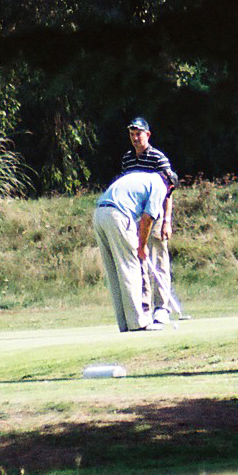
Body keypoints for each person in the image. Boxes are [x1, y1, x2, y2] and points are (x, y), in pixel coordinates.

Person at [120, 117, 183, 325]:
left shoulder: (158, 158)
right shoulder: (127, 159)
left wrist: (167, 220)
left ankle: (162, 307)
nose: (135, 138)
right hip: (136, 216)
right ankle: (145, 306)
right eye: (132, 134)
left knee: (158, 259)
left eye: (139, 134)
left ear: (148, 135)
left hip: (155, 214)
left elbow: (167, 192)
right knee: (139, 261)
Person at [91, 168, 170, 332]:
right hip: (117, 215)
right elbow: (147, 218)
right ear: (170, 186)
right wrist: (142, 246)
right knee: (130, 267)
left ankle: (124, 323)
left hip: (99, 214)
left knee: (115, 271)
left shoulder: (141, 177)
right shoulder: (160, 186)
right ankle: (138, 323)